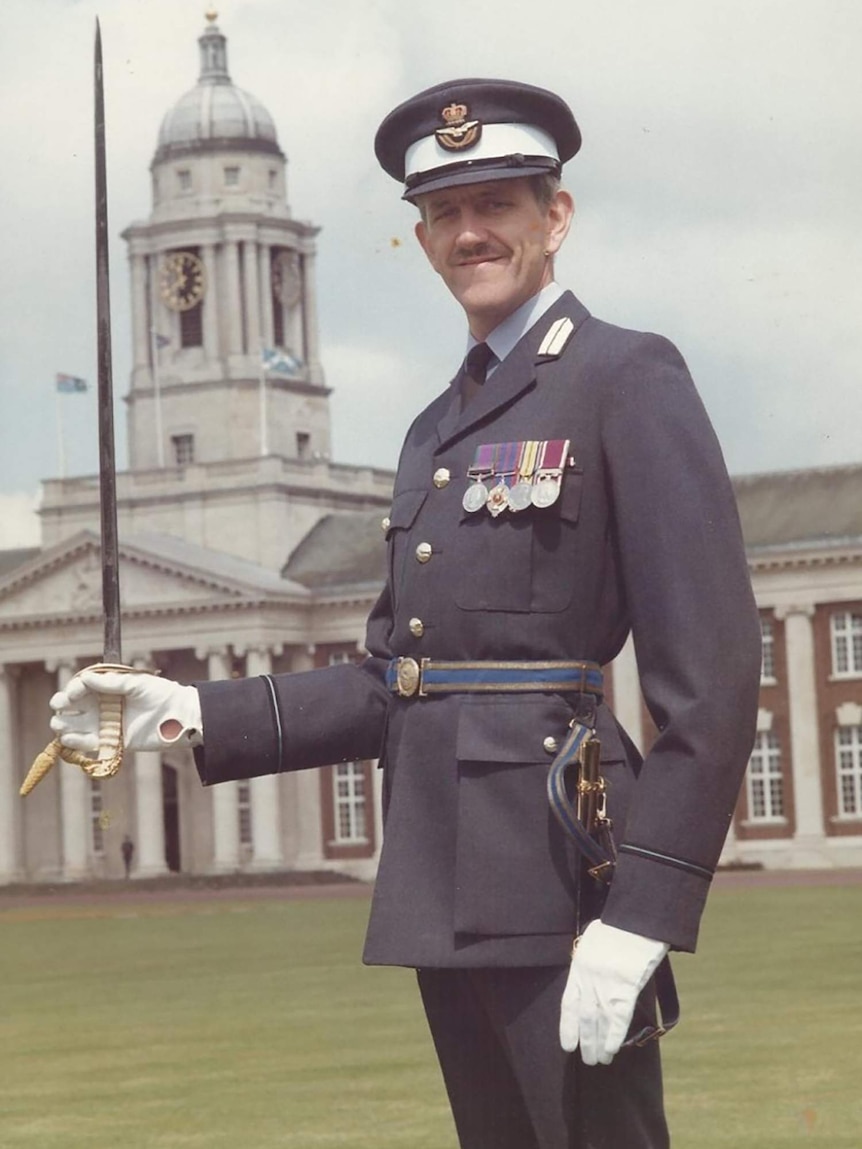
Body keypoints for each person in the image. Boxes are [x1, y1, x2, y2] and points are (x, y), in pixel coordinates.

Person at [49, 78, 762, 1148]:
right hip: (444, 881)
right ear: (422, 237)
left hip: (568, 872)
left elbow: (708, 682)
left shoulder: (624, 376)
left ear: (554, 217)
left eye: (496, 205)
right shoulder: (440, 425)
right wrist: (189, 713)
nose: (467, 232)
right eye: (441, 213)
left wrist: (643, 918)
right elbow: (397, 677)